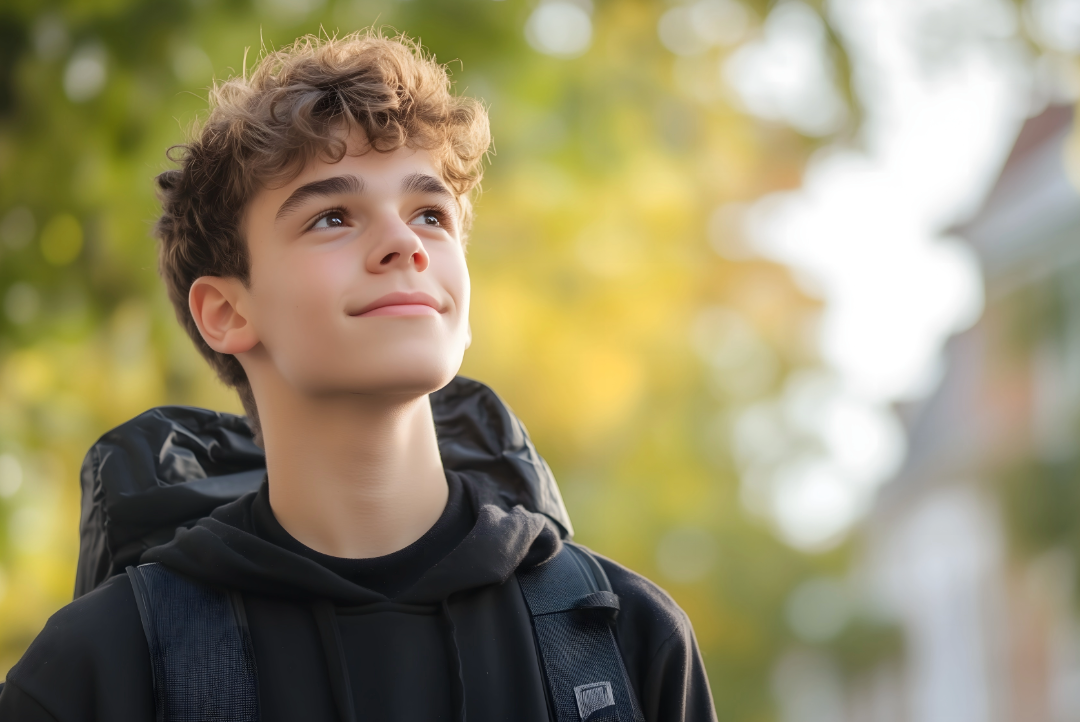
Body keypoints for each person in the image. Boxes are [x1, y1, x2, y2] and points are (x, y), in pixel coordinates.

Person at [0, 30, 717, 721]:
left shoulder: (627, 644)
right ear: (224, 312)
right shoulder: (97, 669)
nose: (403, 244)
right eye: (333, 217)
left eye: (430, 215)